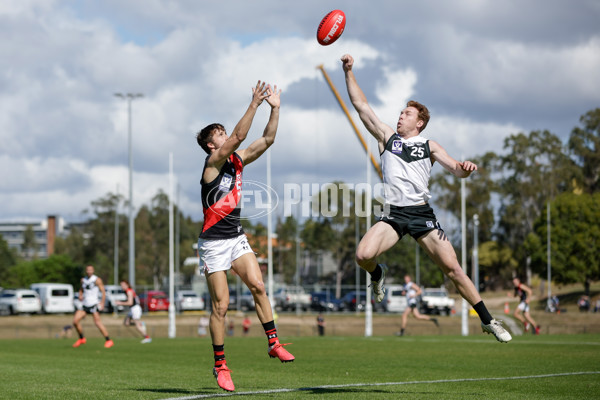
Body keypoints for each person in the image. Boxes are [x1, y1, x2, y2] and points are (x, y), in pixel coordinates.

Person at [341, 54, 511, 343]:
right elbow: (360, 106)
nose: (400, 116)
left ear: (419, 123)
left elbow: (455, 168)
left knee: (454, 270)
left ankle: (488, 320)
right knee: (362, 256)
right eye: (400, 113)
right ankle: (377, 272)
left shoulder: (429, 145)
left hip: (421, 215)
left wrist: (465, 169)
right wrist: (348, 71)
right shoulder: (387, 138)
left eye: (407, 114)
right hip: (394, 213)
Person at [196, 80, 294, 392]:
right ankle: (220, 365)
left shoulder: (237, 161)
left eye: (224, 132)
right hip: (213, 244)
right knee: (221, 307)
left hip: (235, 237)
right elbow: (240, 136)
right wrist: (254, 102)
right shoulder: (212, 164)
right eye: (220, 135)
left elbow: (267, 139)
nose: (227, 137)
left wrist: (275, 109)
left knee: (258, 285)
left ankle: (274, 342)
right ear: (213, 145)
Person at [72, 265, 114, 348]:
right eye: (87, 270)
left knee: (97, 323)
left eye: (90, 270)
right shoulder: (83, 280)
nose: (89, 271)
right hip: (85, 304)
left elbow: (103, 292)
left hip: (93, 304)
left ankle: (109, 340)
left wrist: (102, 303)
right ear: (86, 271)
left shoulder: (97, 280)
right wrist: (80, 295)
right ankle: (81, 338)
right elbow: (81, 289)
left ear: (93, 271)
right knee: (75, 321)